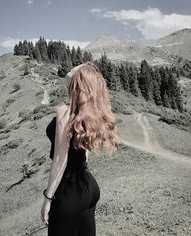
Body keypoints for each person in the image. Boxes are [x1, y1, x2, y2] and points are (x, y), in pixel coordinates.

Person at [41, 61, 121, 236]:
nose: (70, 68)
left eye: (74, 69)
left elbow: (60, 159)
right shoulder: (85, 112)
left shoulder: (65, 111)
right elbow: (85, 153)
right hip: (88, 187)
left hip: (69, 191)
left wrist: (48, 199)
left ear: (79, 80)